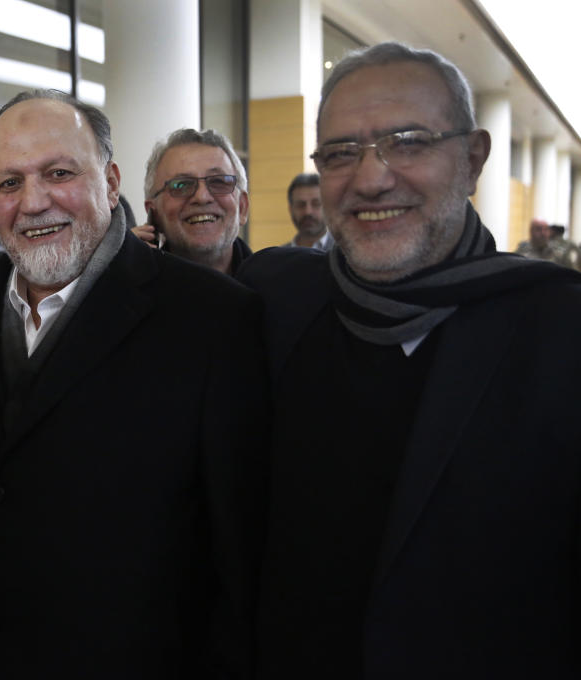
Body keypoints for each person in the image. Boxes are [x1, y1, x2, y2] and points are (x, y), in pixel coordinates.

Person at [238, 42, 581, 678]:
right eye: (341, 153)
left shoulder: (560, 334)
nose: (371, 178)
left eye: (409, 141)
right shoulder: (275, 300)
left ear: (473, 159)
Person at [0, 90, 262, 679]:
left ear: (110, 180)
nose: (33, 202)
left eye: (59, 173)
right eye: (8, 183)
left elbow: (238, 551)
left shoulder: (214, 319)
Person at [132, 128, 251, 275]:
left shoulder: (276, 290)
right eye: (181, 185)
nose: (202, 197)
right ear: (154, 214)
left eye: (218, 181)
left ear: (242, 206)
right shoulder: (122, 293)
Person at [282, 173, 333, 250]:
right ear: (290, 209)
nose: (308, 212)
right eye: (300, 205)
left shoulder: (347, 255)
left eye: (316, 204)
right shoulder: (279, 258)